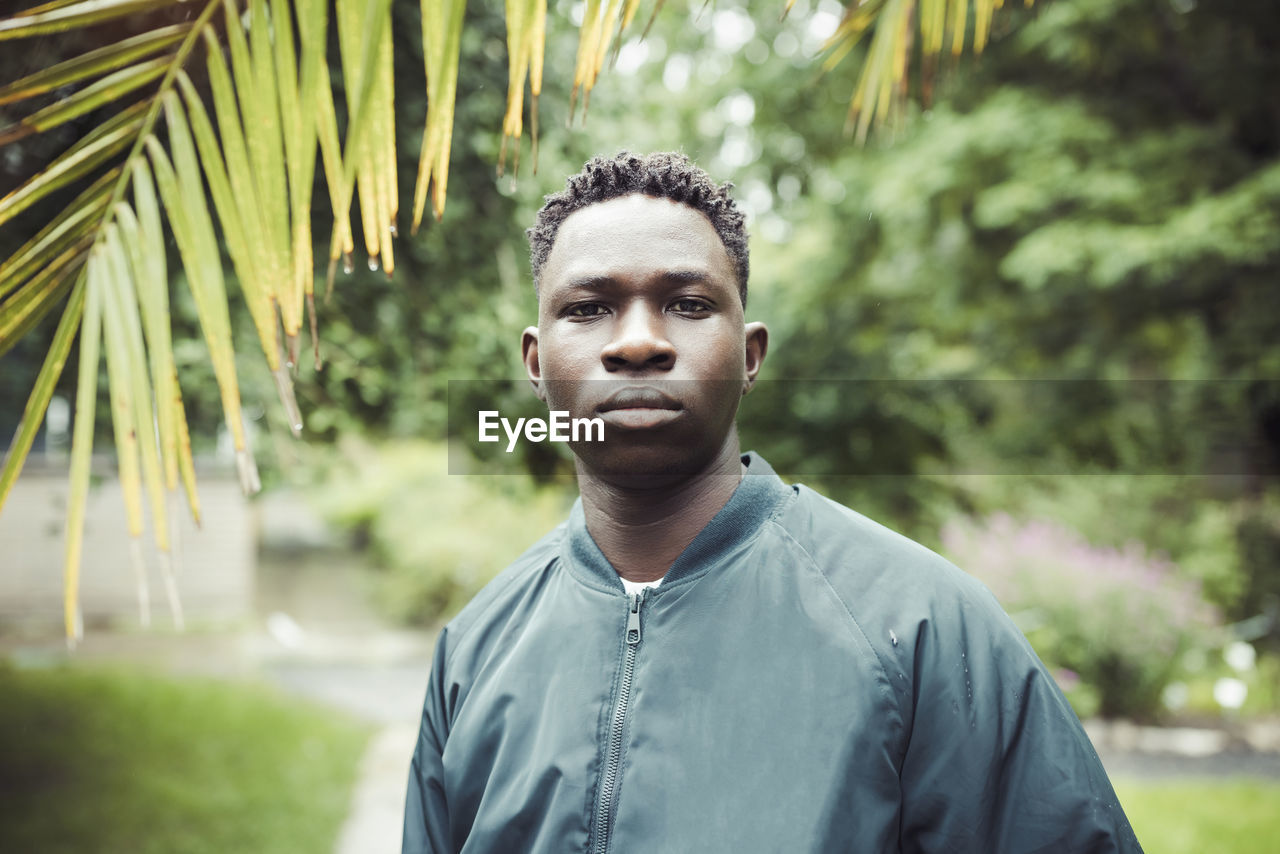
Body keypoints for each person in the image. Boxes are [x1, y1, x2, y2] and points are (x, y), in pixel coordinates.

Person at [402, 151, 1142, 853]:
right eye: (590, 308)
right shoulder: (474, 649)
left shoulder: (924, 629)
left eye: (687, 304)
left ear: (750, 357)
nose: (636, 343)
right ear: (536, 364)